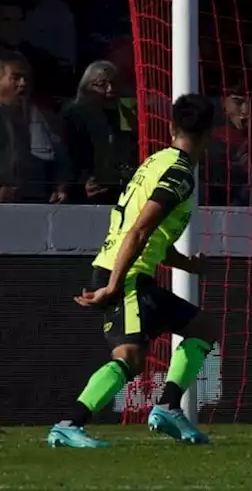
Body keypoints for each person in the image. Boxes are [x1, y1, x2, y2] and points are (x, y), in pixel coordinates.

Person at [47, 94, 220, 449]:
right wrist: (113, 286)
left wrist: (188, 265)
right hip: (125, 275)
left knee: (202, 327)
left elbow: (150, 235)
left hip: (127, 271)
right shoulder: (179, 174)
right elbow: (139, 229)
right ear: (209, 135)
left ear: (172, 128)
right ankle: (69, 423)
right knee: (129, 356)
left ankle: (169, 406)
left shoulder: (155, 162)